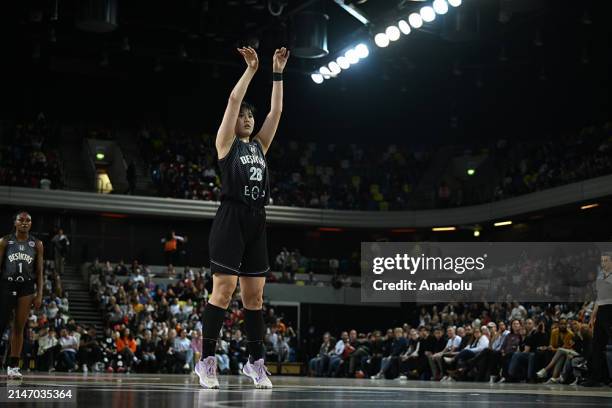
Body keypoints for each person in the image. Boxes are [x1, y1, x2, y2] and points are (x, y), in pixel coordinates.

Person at [194, 45, 290, 390]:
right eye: (243, 116)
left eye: (251, 116)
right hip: (230, 217)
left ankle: (255, 364)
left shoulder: (260, 146)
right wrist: (251, 70)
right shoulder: (226, 144)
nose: (247, 119)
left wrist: (277, 73)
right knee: (223, 291)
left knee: (255, 298)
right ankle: (206, 361)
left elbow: (276, 111)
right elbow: (234, 101)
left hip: (256, 219)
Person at [0, 211, 44, 379]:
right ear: (15, 222)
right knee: (1, 324)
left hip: (26, 286)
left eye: (28, 220)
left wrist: (39, 294)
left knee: (19, 327)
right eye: (21, 220)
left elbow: (39, 272)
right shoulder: (5, 241)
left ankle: (13, 366)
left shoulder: (37, 244)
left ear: (31, 224)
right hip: (6, 284)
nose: (25, 223)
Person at [581, 251, 612, 387]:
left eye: (606, 260)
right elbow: (598, 299)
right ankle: (597, 377)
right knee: (596, 346)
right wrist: (593, 317)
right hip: (601, 313)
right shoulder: (600, 277)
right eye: (602, 260)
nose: (603, 263)